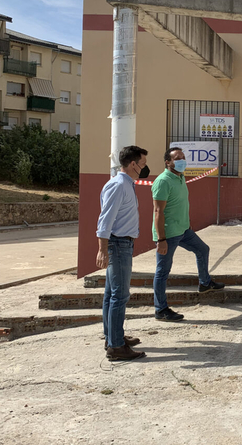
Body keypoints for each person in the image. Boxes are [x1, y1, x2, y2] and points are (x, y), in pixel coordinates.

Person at [152, 147, 224, 321]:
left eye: (183, 157)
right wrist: (161, 239)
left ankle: (204, 283)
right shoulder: (162, 181)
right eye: (177, 158)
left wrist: (186, 222)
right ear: (167, 162)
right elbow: (157, 212)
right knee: (162, 271)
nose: (182, 160)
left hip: (183, 230)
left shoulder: (180, 177)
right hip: (168, 234)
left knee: (203, 249)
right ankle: (160, 309)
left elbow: (180, 204)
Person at [96, 145, 149, 361]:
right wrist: (102, 249)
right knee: (120, 296)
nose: (146, 168)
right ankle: (116, 347)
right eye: (143, 164)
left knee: (112, 294)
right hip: (118, 245)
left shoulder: (126, 184)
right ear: (133, 164)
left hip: (121, 244)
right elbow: (105, 219)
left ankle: (113, 337)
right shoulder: (119, 185)